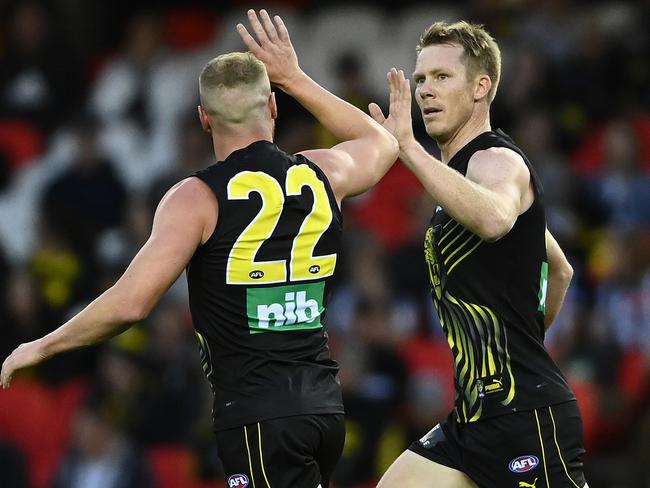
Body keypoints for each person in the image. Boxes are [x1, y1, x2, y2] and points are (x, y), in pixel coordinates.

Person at [1, 10, 402, 488]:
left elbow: (131, 303)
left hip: (257, 416)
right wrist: (294, 77)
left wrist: (42, 344)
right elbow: (382, 142)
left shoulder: (195, 197)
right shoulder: (322, 172)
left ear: (203, 118)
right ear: (272, 107)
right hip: (323, 408)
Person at [368, 21, 588, 488]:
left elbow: (494, 220)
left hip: (525, 417)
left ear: (480, 86)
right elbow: (561, 269)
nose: (426, 90)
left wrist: (409, 148)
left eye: (442, 77)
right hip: (471, 420)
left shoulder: (496, 161)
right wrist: (294, 79)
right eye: (421, 78)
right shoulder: (458, 177)